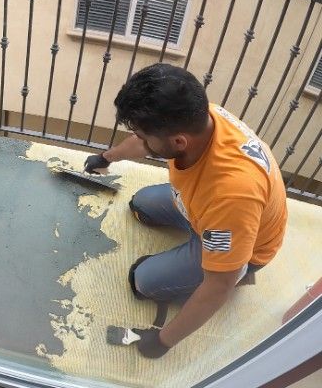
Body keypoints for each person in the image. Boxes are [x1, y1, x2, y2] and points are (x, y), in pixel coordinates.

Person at [84, 63, 288, 358]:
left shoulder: (231, 193)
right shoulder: (201, 117)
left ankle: (245, 272)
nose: (139, 140)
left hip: (239, 241)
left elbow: (218, 286)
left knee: (143, 281)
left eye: (143, 136)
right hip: (204, 211)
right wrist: (106, 157)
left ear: (179, 142)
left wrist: (162, 341)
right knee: (141, 205)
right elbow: (145, 142)